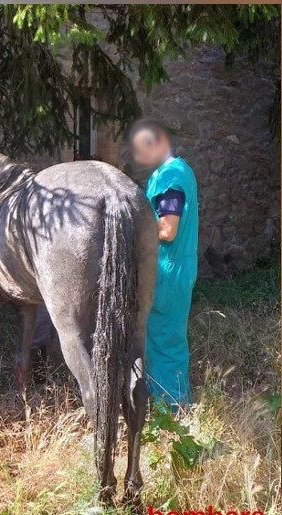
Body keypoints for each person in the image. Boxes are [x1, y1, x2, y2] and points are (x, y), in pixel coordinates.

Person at [128, 119, 199, 409]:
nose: (138, 158)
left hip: (169, 273)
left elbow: (168, 229)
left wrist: (133, 227)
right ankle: (159, 406)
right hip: (162, 271)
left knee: (167, 342)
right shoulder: (163, 175)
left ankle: (174, 410)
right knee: (155, 341)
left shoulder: (173, 176)